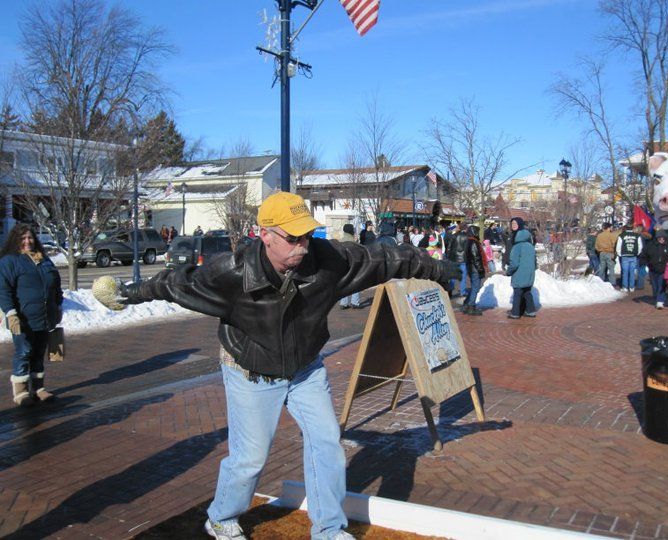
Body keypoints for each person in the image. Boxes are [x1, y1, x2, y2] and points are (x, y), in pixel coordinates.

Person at [106, 192, 460, 540]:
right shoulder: (230, 273)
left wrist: (437, 268)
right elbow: (176, 283)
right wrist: (129, 293)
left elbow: (384, 259)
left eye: (306, 235)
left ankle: (328, 530)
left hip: (305, 369)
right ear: (265, 235)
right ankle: (222, 518)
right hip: (251, 371)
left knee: (327, 445)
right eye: (293, 238)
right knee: (249, 460)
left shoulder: (329, 261)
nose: (303, 245)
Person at [0, 224, 63, 407]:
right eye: (23, 238)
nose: (27, 241)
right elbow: (3, 290)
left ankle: (38, 389)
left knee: (38, 352)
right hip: (23, 319)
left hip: (44, 317)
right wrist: (11, 314)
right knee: (24, 351)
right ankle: (20, 393)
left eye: (30, 238)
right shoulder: (9, 261)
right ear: (15, 240)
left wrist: (58, 306)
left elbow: (55, 284)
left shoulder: (42, 259)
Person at [506, 229, 537, 319]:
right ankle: (530, 311)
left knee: (517, 293)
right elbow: (535, 262)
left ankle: (515, 313)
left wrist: (509, 272)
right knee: (527, 292)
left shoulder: (516, 247)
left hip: (519, 274)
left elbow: (514, 263)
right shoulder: (531, 247)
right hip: (530, 274)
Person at [640, 231, 668, 309]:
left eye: (663, 238)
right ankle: (656, 296)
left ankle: (660, 301)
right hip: (653, 269)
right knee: (655, 286)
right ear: (657, 238)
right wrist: (644, 263)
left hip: (664, 269)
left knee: (662, 285)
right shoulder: (650, 246)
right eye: (660, 238)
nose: (661, 239)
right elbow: (643, 255)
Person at [462, 225, 488, 316]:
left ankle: (466, 304)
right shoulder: (473, 242)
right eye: (477, 232)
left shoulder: (469, 241)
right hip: (475, 268)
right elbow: (476, 257)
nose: (478, 234)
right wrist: (481, 269)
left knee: (473, 287)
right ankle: (471, 307)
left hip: (471, 267)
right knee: (476, 288)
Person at [339, 224, 361, 309]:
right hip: (353, 264)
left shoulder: (341, 241)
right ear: (351, 230)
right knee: (356, 282)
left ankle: (343, 303)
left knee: (344, 283)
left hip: (343, 264)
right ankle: (355, 302)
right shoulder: (353, 241)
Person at [616, 224, 643, 292]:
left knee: (625, 272)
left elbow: (618, 246)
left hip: (624, 255)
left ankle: (625, 287)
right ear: (632, 228)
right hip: (633, 255)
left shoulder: (621, 235)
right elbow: (640, 246)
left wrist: (620, 254)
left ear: (626, 228)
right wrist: (637, 253)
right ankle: (631, 287)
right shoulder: (637, 236)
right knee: (632, 271)